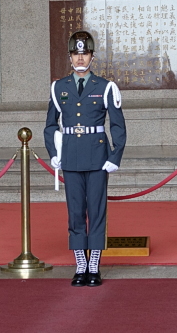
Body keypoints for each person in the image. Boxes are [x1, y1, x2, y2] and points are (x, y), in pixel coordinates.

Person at [43, 31, 127, 286]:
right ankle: (81, 263)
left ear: (92, 56)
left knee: (97, 212)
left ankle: (94, 265)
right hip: (70, 157)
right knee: (75, 212)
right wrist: (54, 153)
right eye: (76, 54)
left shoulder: (105, 87)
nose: (80, 59)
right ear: (69, 57)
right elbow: (49, 126)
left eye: (85, 53)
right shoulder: (59, 87)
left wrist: (115, 155)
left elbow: (118, 126)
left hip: (97, 157)